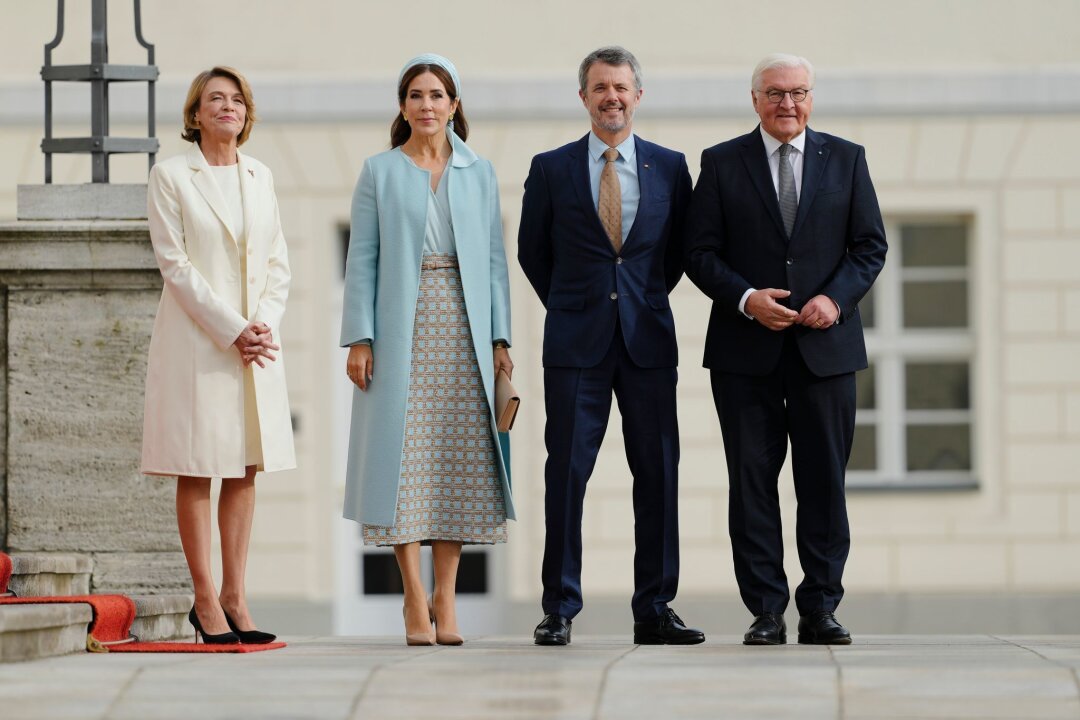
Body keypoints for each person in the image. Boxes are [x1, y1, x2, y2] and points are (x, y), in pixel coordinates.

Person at [684, 53, 887, 645]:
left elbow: (869, 246)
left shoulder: (847, 159)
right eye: (774, 93)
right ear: (754, 100)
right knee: (750, 483)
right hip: (745, 354)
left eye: (798, 92)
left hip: (827, 350)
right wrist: (747, 298)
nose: (787, 104)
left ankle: (820, 608)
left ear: (812, 97)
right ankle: (766, 611)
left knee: (823, 481)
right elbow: (699, 253)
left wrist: (838, 299)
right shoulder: (722, 163)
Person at [518, 46, 703, 646]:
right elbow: (532, 252)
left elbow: (678, 253)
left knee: (658, 475)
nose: (611, 97)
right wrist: (576, 304)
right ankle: (560, 608)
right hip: (576, 346)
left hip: (648, 341)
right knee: (567, 474)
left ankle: (654, 609)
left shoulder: (671, 168)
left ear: (638, 95)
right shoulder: (551, 168)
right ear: (584, 97)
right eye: (600, 88)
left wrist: (638, 298)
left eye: (621, 87)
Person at [341, 54, 515, 646]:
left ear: (454, 105)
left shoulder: (479, 171)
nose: (427, 105)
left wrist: (500, 340)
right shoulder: (379, 171)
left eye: (437, 95)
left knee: (456, 462)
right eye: (416, 95)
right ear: (403, 107)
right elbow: (361, 259)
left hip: (464, 327)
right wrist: (359, 337)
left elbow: (495, 261)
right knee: (402, 464)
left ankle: (447, 594)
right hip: (398, 327)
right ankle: (413, 598)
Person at [142, 66, 294, 645]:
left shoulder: (261, 176)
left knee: (246, 462)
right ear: (196, 114)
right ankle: (204, 598)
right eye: (215, 99)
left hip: (255, 345)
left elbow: (278, 262)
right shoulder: (172, 175)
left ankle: (236, 595)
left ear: (246, 114)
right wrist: (232, 329)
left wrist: (261, 327)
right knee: (199, 462)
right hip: (198, 341)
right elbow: (174, 264)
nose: (227, 107)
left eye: (237, 100)